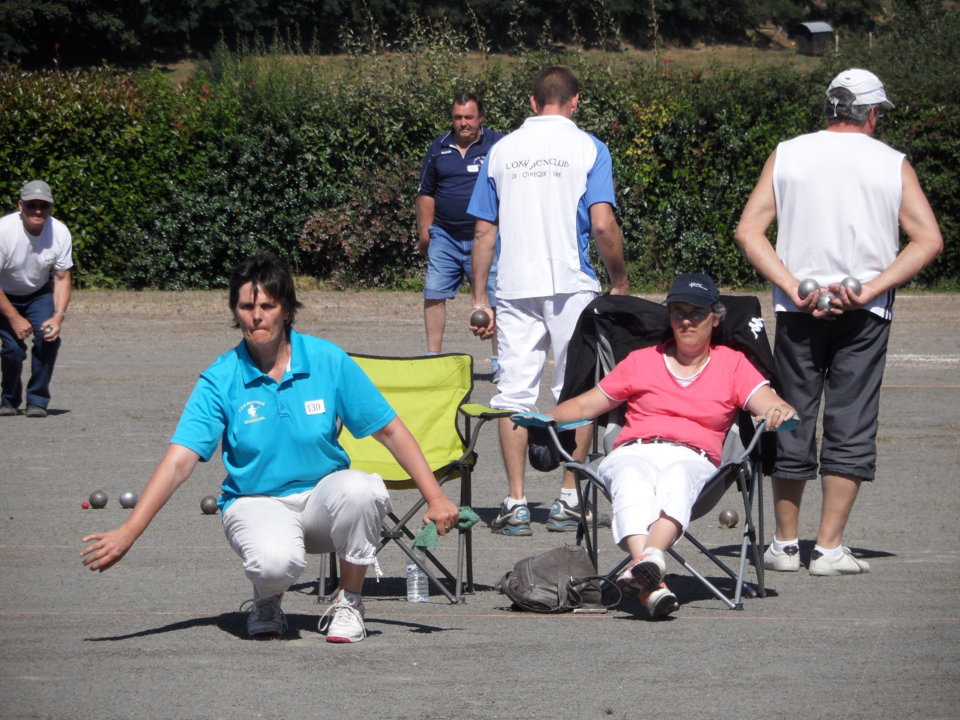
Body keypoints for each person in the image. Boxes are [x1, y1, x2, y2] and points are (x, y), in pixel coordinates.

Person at [81, 252, 459, 642]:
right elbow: (179, 462)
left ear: (287, 310)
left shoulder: (327, 359)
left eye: (267, 305)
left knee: (362, 489)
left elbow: (391, 431)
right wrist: (130, 531)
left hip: (321, 501)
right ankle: (267, 598)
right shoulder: (220, 378)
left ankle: (350, 601)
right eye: (246, 306)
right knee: (274, 563)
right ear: (235, 311)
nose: (256, 315)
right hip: (255, 500)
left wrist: (435, 497)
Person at [735, 69, 943, 576]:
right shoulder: (891, 163)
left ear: (831, 108)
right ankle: (828, 548)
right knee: (851, 420)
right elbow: (929, 240)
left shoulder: (789, 153)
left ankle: (785, 545)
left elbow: (748, 231)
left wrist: (791, 284)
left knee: (791, 413)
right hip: (864, 312)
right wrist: (869, 288)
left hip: (798, 309)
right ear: (871, 113)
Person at [548, 273, 797, 618]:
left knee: (678, 476)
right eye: (678, 311)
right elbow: (587, 405)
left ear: (715, 318)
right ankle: (651, 574)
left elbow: (770, 402)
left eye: (696, 312)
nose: (686, 320)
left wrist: (779, 411)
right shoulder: (641, 360)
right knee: (628, 477)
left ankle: (646, 565)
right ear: (669, 317)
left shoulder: (732, 363)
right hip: (634, 448)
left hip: (694, 457)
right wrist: (543, 418)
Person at [467, 65, 630, 536]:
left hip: (515, 284)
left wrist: (481, 298)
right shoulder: (589, 148)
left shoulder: (501, 150)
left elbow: (483, 230)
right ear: (575, 102)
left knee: (514, 393)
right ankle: (568, 499)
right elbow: (602, 225)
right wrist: (619, 280)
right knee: (576, 393)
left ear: (532, 103)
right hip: (572, 281)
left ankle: (515, 502)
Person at [417, 92, 504, 377]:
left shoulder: (498, 145)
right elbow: (426, 193)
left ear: (480, 118)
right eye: (458, 117)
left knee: (497, 297)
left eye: (469, 117)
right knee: (434, 293)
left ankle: (499, 363)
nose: (463, 123)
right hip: (446, 235)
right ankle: (432, 359)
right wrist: (425, 234)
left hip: (489, 237)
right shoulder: (438, 147)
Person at [0, 180, 73, 418]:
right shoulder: (3, 231)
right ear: (21, 205)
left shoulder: (60, 231)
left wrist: (58, 316)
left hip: (38, 293)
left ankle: (37, 400)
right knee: (12, 349)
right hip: (4, 293)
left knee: (48, 337)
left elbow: (62, 277)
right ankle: (9, 400)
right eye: (32, 205)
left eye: (44, 206)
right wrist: (13, 317)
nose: (38, 211)